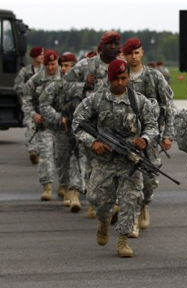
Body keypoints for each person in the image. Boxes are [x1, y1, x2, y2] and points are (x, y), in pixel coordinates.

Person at [72, 59, 158, 258]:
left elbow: (152, 126)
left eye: (124, 78)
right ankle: (104, 220)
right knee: (97, 199)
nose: (120, 82)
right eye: (117, 79)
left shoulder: (139, 101)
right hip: (104, 161)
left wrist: (144, 139)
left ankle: (123, 241)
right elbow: (78, 123)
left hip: (130, 161)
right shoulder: (96, 100)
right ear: (110, 79)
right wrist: (93, 142)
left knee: (131, 200)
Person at [64, 31, 122, 219]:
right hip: (90, 126)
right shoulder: (87, 65)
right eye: (109, 44)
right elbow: (64, 85)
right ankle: (93, 201)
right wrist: (83, 86)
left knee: (114, 166)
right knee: (90, 164)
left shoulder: (121, 67)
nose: (113, 47)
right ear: (102, 46)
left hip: (115, 126)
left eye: (116, 44)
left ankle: (112, 203)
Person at [122, 37, 175, 237]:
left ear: (142, 53)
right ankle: (132, 219)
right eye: (129, 53)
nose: (133, 57)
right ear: (124, 55)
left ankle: (144, 204)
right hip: (125, 139)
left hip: (150, 138)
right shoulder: (120, 75)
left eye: (136, 53)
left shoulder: (154, 77)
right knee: (129, 181)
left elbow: (169, 106)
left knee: (149, 179)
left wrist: (168, 135)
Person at [39, 51, 82, 211]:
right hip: (61, 129)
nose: (64, 69)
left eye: (67, 66)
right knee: (61, 158)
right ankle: (64, 185)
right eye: (62, 65)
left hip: (79, 129)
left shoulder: (83, 85)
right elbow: (43, 104)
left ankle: (74, 191)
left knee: (77, 159)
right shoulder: (56, 85)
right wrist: (58, 117)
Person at [22, 50, 65, 201]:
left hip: (61, 125)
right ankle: (47, 186)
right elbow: (26, 98)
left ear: (57, 62)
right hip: (45, 124)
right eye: (47, 64)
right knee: (46, 155)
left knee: (61, 156)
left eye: (53, 64)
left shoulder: (66, 77)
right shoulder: (37, 79)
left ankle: (63, 186)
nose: (50, 67)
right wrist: (33, 114)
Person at [14, 46, 44, 165]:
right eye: (39, 54)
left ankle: (42, 150)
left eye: (43, 54)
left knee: (43, 128)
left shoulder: (45, 70)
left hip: (43, 104)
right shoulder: (25, 71)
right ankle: (32, 151)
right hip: (29, 103)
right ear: (33, 57)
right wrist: (29, 87)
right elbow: (17, 86)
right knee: (31, 126)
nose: (42, 56)